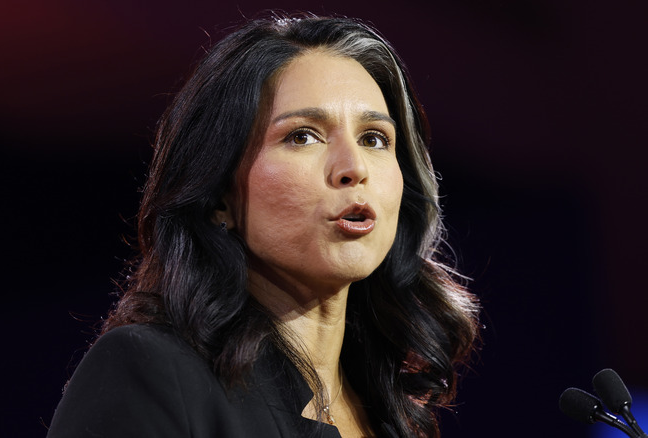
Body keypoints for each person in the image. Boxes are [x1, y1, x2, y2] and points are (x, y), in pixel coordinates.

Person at [47, 13, 480, 438]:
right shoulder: (151, 371)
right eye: (303, 136)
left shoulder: (397, 415)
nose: (354, 168)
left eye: (374, 139)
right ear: (219, 196)